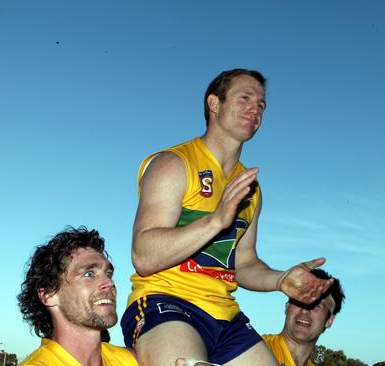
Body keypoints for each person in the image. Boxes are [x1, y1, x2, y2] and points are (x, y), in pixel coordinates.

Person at [122, 68, 334, 366]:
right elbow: (143, 256)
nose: (255, 109)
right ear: (214, 103)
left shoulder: (251, 188)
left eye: (261, 104)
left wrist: (280, 279)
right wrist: (215, 220)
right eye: (245, 98)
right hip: (165, 302)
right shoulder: (173, 164)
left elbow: (244, 264)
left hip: (225, 314)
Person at [18, 227, 138, 366]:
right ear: (48, 295)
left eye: (109, 273)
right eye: (89, 274)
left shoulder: (131, 360)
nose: (109, 283)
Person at [262, 269, 345, 366]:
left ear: (329, 320)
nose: (305, 310)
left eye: (317, 305)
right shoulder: (255, 348)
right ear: (287, 307)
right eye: (299, 301)